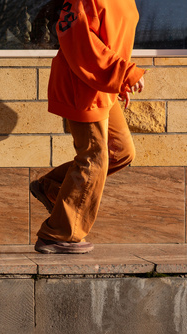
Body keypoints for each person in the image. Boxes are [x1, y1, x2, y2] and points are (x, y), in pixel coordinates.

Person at [30, 0, 146, 254]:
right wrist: (122, 72)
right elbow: (78, 39)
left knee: (121, 152)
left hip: (102, 83)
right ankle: (56, 234)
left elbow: (113, 38)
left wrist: (118, 80)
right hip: (79, 82)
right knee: (94, 156)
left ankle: (51, 187)